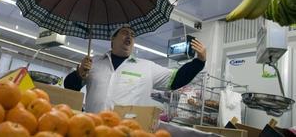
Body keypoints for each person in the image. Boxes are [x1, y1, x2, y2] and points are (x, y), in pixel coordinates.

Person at [64, 24, 206, 113]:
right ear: (112, 39)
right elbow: (70, 87)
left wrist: (199, 62)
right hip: (92, 129)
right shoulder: (93, 63)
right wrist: (78, 74)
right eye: (124, 32)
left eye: (132, 35)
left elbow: (176, 79)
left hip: (127, 132)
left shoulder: (146, 67)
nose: (129, 37)